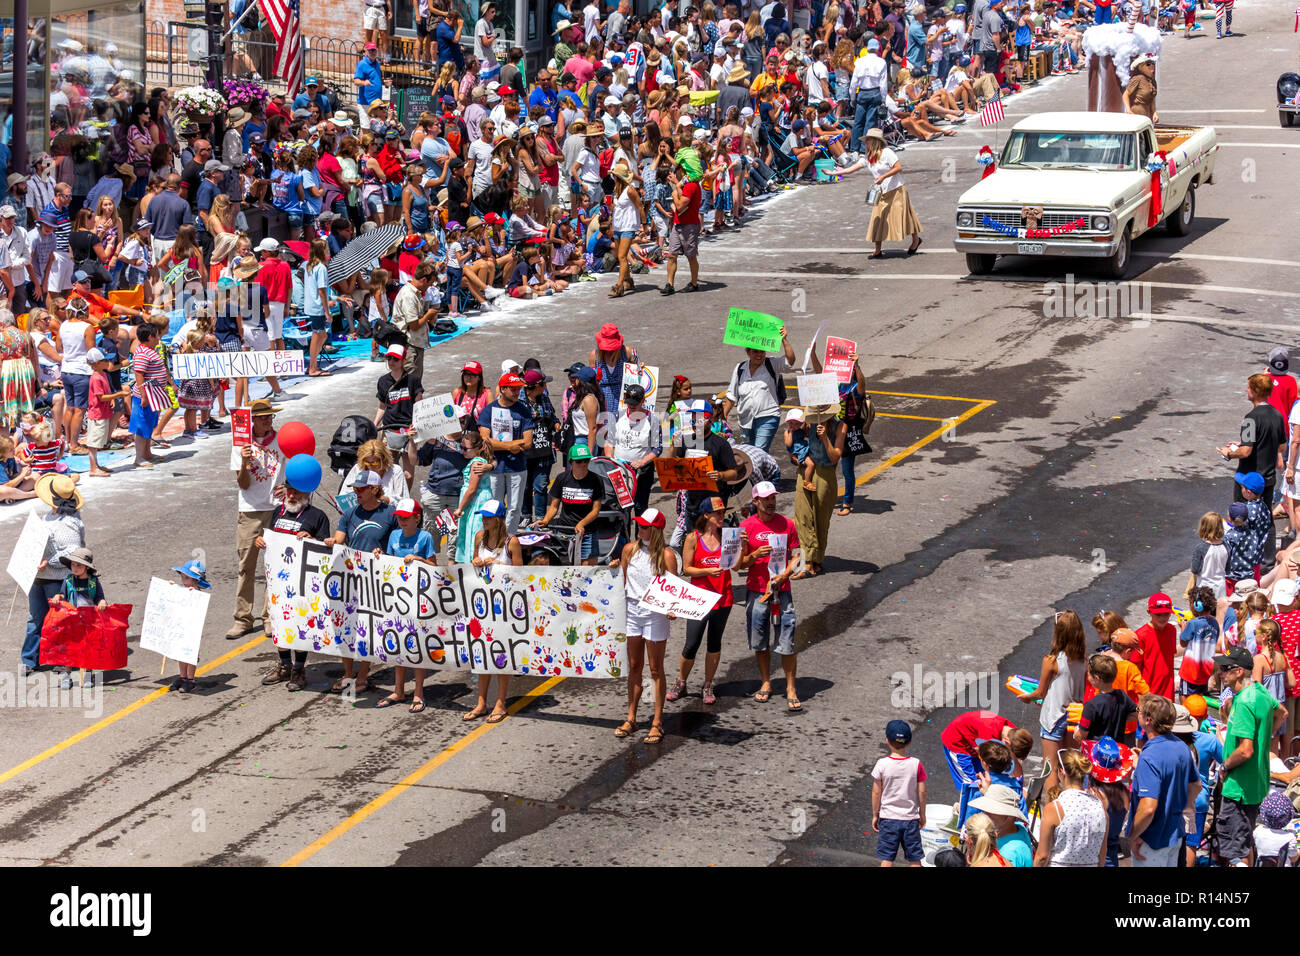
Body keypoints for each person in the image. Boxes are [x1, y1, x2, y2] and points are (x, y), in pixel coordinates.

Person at [255, 476, 332, 692]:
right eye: (289, 491)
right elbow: (268, 540)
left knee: (299, 624)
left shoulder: (317, 516)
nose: (291, 495)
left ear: (307, 493)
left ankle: (299, 670)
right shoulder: (277, 513)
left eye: (296, 492)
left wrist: (312, 539)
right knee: (279, 622)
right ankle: (284, 665)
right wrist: (260, 542)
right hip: (278, 581)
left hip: (302, 582)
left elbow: (324, 549)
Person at [1214, 645, 1285, 865]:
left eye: (1226, 668)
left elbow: (1245, 750)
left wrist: (1224, 766)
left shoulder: (1244, 702)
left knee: (1236, 851)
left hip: (1239, 788)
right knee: (1245, 842)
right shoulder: (1259, 691)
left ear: (1240, 671)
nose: (1220, 672)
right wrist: (1264, 737)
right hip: (1255, 783)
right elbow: (1282, 712)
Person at [740, 481, 804, 711]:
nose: (771, 502)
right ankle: (766, 681)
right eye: (766, 498)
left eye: (773, 497)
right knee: (759, 639)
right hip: (757, 592)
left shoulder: (787, 524)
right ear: (756, 501)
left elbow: (799, 556)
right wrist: (753, 554)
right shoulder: (746, 527)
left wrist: (785, 574)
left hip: (782, 592)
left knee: (787, 638)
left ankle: (790, 687)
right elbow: (738, 565)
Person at [617, 507, 677, 743]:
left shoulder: (668, 556)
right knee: (633, 666)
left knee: (654, 669)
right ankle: (631, 717)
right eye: (639, 525)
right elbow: (621, 582)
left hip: (655, 614)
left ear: (655, 530)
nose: (640, 528)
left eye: (644, 526)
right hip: (633, 612)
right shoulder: (629, 550)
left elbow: (674, 590)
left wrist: (672, 608)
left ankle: (657, 721)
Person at [668, 496, 736, 706]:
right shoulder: (693, 538)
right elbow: (686, 568)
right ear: (706, 515)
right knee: (692, 644)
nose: (722, 516)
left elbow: (737, 566)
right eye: (718, 513)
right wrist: (707, 571)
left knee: (714, 643)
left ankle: (708, 684)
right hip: (699, 599)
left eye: (723, 512)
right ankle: (681, 682)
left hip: (723, 598)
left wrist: (740, 545)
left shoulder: (728, 536)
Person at [21, 474, 86, 677]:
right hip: (39, 576)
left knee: (58, 620)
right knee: (35, 618)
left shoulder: (69, 523)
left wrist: (48, 562)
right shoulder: (50, 515)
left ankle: (61, 658)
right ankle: (31, 659)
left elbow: (71, 552)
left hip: (56, 578)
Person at [1014, 609, 1086, 791]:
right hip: (1075, 715)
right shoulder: (1083, 659)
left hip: (1054, 716)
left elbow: (1040, 692)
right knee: (1071, 766)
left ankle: (1052, 810)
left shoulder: (1051, 660)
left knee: (1051, 768)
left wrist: (1027, 697)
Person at [229, 398, 283, 638]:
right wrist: (243, 461)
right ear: (253, 421)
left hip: (276, 509)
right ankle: (243, 618)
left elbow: (294, 469)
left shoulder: (283, 441)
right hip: (250, 510)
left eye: (271, 416)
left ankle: (270, 616)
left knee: (274, 566)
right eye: (263, 417)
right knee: (246, 567)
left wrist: (289, 486)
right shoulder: (241, 445)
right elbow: (242, 483)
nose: (269, 421)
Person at [1130, 694, 1200, 867]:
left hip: (1150, 840)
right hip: (1174, 836)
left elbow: (1148, 808)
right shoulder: (1182, 747)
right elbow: (1196, 785)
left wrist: (1133, 835)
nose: (1136, 713)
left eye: (1139, 711)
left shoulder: (1149, 757)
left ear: (1148, 720)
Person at [723, 323, 795, 452]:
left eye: (762, 351)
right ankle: (768, 472)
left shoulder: (771, 364)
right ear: (748, 352)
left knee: (759, 451)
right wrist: (723, 416)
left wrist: (784, 339)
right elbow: (731, 395)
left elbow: (790, 361)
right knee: (749, 453)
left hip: (768, 416)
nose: (759, 355)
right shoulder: (740, 368)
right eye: (755, 351)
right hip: (745, 419)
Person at [478, 370, 535, 533]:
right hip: (495, 468)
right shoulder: (489, 410)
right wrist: (510, 446)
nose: (517, 392)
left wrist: (498, 444)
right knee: (494, 506)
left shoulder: (523, 410)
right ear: (502, 389)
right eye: (513, 389)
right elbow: (485, 441)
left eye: (519, 389)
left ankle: (508, 539)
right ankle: (493, 538)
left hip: (517, 468)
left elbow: (528, 442)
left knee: (515, 507)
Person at [792, 401, 844, 578]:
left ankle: (816, 561)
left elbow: (835, 457)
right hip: (807, 470)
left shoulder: (840, 426)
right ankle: (807, 562)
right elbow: (797, 438)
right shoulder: (810, 421)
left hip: (826, 474)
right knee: (803, 516)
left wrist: (825, 439)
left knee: (820, 520)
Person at [1033, 749, 1108, 867]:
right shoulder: (1100, 808)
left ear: (1062, 773)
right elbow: (1102, 854)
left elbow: (1042, 856)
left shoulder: (1054, 809)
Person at [872, 719, 927, 867]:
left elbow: (877, 793)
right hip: (910, 819)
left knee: (887, 859)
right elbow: (922, 791)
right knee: (915, 859)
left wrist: (876, 814)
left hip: (888, 818)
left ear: (887, 741)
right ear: (909, 742)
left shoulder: (882, 764)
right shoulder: (916, 764)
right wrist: (922, 814)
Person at [538, 443, 604, 564]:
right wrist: (546, 520)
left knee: (587, 571)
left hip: (587, 532)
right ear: (571, 462)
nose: (583, 464)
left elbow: (596, 511)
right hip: (564, 531)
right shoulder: (562, 478)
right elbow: (554, 506)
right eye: (579, 461)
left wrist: (581, 524)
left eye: (586, 460)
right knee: (563, 569)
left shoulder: (596, 480)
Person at [863, 127, 922, 258]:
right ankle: (877, 249)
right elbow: (852, 168)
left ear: (874, 141)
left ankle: (916, 240)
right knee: (877, 220)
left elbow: (898, 168)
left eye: (867, 141)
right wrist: (834, 172)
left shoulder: (887, 152)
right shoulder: (869, 156)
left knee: (905, 217)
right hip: (881, 192)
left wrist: (883, 177)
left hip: (896, 189)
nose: (865, 143)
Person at [604, 382, 661, 513]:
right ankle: (624, 533)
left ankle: (641, 534)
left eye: (635, 404)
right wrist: (611, 461)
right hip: (620, 470)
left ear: (643, 401)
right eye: (629, 403)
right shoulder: (617, 416)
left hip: (642, 472)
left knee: (640, 507)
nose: (631, 406)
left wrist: (641, 462)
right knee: (622, 508)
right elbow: (609, 442)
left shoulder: (652, 420)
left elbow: (657, 449)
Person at [373, 342, 423, 487]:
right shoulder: (383, 381)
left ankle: (405, 499)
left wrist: (417, 425)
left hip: (409, 431)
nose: (391, 362)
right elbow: (382, 407)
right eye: (389, 358)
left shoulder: (413, 380)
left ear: (403, 361)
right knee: (387, 470)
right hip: (389, 429)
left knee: (408, 474)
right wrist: (374, 424)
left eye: (395, 359)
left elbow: (419, 406)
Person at [660, 154, 702, 295]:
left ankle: (694, 283)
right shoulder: (686, 185)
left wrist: (674, 194)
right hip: (679, 224)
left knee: (691, 256)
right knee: (672, 254)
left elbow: (679, 206)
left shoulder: (690, 186)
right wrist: (677, 184)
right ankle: (669, 284)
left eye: (678, 169)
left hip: (689, 225)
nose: (676, 171)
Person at [1074, 653, 1137, 745]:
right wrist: (1120, 717)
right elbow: (1137, 713)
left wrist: (1076, 731)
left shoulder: (1091, 705)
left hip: (1096, 754)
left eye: (1088, 673)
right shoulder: (1122, 695)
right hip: (1116, 751)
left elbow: (1081, 736)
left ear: (1096, 678)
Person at [455, 430, 497, 564]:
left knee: (475, 533)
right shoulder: (478, 460)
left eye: (465, 449)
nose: (462, 451)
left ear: (477, 449)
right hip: (474, 501)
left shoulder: (477, 463)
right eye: (461, 448)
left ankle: (474, 561)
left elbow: (472, 489)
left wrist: (460, 508)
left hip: (476, 502)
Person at [967, 784, 1033, 866]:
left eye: (993, 810)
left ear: (1010, 816)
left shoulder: (1009, 855)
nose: (985, 813)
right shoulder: (1018, 827)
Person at [1134, 591, 1177, 699]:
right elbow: (1135, 668)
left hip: (1168, 691)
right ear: (1149, 612)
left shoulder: (1172, 630)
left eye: (1166, 614)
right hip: (1148, 692)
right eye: (1158, 614)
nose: (1162, 618)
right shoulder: (1141, 635)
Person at [1123, 54, 1158, 122]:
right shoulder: (1138, 79)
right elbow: (1125, 94)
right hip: (1137, 113)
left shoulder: (1153, 82)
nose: (1152, 65)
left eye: (1153, 63)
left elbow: (1152, 99)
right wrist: (1128, 110)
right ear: (1141, 66)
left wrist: (1154, 113)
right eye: (1148, 64)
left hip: (1147, 115)